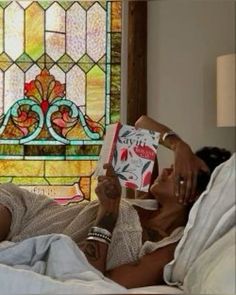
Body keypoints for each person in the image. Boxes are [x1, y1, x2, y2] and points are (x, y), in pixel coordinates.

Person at [0, 116, 231, 288]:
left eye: (181, 172)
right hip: (27, 213)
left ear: (195, 194)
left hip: (46, 250)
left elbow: (91, 278)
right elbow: (140, 126)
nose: (170, 167)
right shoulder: (147, 200)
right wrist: (180, 147)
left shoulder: (166, 250)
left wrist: (107, 213)